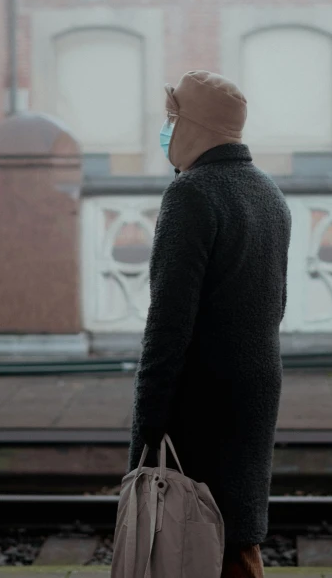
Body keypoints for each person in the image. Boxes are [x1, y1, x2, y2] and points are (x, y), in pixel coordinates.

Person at [127, 70, 292, 578]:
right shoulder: (268, 193)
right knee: (236, 537)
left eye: (172, 119)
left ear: (193, 126)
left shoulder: (192, 195)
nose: (165, 130)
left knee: (189, 540)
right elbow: (275, 303)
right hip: (255, 386)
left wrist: (147, 426)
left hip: (202, 399)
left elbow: (168, 325)